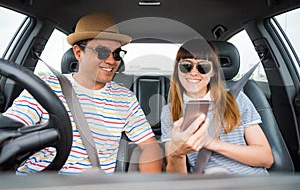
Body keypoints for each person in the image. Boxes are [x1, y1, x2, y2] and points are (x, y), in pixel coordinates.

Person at [3, 12, 162, 174]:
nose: (111, 61)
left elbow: (150, 147)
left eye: (117, 54)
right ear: (78, 53)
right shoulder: (46, 87)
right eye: (102, 51)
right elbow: (10, 129)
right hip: (39, 182)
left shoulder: (125, 98)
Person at [160, 38, 274, 175]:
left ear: (213, 72)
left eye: (203, 67)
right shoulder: (171, 112)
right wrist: (178, 153)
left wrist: (211, 143)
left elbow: (266, 158)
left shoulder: (236, 99)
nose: (194, 72)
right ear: (177, 70)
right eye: (186, 66)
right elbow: (177, 178)